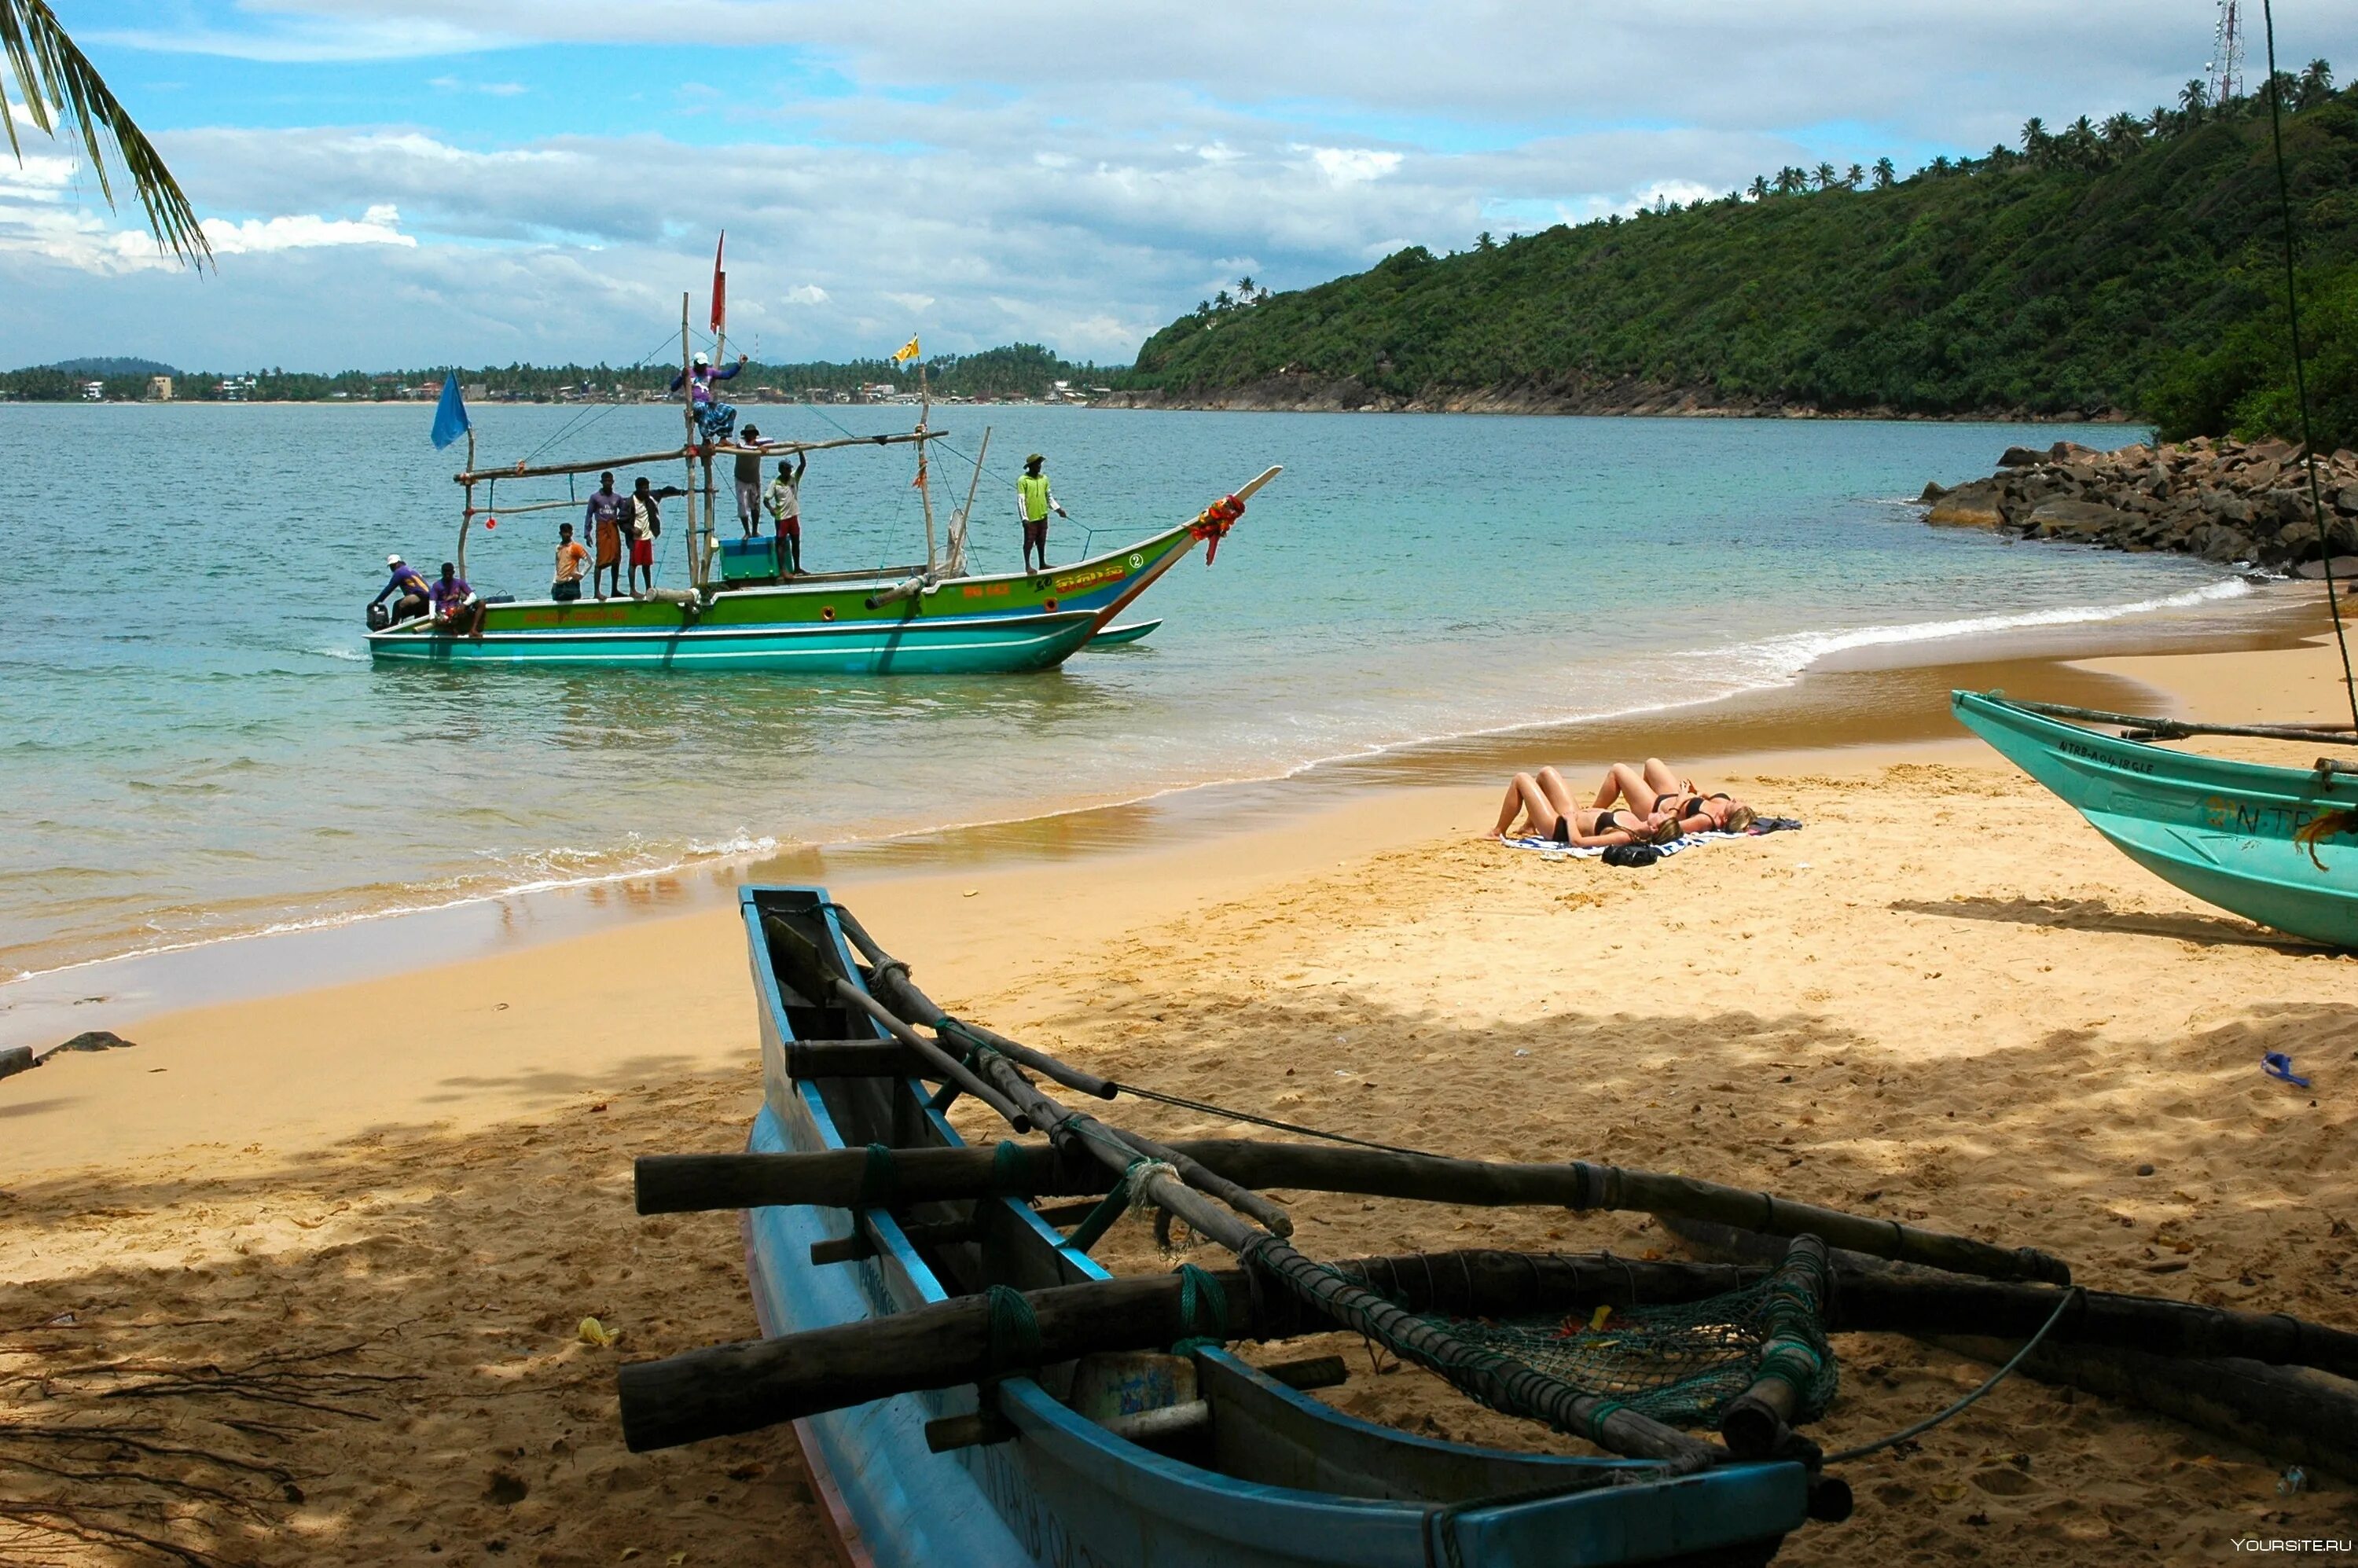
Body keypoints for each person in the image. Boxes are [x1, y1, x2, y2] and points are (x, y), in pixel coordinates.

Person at [1493, 766, 1683, 847]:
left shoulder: (1624, 835)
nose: (1661, 813)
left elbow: (1578, 843)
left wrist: (1569, 821)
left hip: (1558, 827)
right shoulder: (1639, 822)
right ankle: (1529, 826)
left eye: (1662, 817)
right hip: (1575, 814)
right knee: (1546, 773)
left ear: (1654, 828)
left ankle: (1497, 831)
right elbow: (1672, 817)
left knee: (1521, 779)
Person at [1590, 759, 1759, 835]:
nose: (1737, 800)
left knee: (1618, 770)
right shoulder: (1724, 803)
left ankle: (1595, 809)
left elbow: (1669, 826)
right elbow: (1706, 795)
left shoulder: (1705, 820)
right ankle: (1636, 795)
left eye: (1737, 805)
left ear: (1729, 817)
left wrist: (1680, 800)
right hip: (1673, 795)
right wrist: (1696, 791)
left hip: (1655, 808)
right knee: (1652, 763)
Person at [669, 351, 747, 445]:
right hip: (695, 404)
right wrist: (681, 376)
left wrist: (739, 364)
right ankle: (707, 439)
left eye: (704, 365)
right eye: (700, 365)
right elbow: (673, 388)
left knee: (730, 410)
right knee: (702, 408)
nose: (703, 367)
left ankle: (723, 438)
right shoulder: (688, 373)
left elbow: (727, 375)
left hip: (708, 404)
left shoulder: (710, 372)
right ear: (695, 363)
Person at [1017, 452, 1066, 575]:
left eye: (1040, 464)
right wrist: (1024, 518)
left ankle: (1042, 564)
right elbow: (1021, 501)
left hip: (1043, 516)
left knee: (1041, 541)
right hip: (1030, 518)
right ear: (1031, 466)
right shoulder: (1023, 480)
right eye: (1037, 464)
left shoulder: (1044, 479)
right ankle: (1028, 566)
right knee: (1029, 542)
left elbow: (1049, 498)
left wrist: (1058, 509)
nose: (1039, 466)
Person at [585, 472, 628, 601]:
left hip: (613, 528)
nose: (608, 483)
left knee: (616, 558)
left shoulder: (617, 498)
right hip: (602, 529)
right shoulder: (595, 497)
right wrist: (587, 533)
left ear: (613, 482)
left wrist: (623, 524)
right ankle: (596, 591)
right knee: (601, 559)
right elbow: (589, 515)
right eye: (605, 481)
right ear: (601, 482)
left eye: (610, 481)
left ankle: (615, 589)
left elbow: (625, 511)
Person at [765, 453, 808, 575]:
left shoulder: (794, 478)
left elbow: (803, 465)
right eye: (787, 469)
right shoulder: (775, 483)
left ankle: (797, 567)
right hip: (782, 518)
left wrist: (800, 451)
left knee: (796, 542)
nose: (789, 471)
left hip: (793, 516)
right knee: (781, 544)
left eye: (790, 469)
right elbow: (766, 500)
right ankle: (783, 569)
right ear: (781, 469)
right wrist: (771, 509)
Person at [429, 560, 487, 638]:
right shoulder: (437, 585)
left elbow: (473, 596)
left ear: (453, 572)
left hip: (456, 610)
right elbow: (432, 603)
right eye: (445, 573)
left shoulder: (459, 582)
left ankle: (473, 630)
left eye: (449, 573)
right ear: (442, 573)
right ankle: (453, 630)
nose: (447, 575)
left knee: (481, 603)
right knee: (445, 618)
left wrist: (464, 604)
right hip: (443, 613)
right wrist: (432, 618)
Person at [626, 477, 662, 597]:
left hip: (647, 537)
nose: (646, 490)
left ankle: (648, 588)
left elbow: (664, 491)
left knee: (647, 565)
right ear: (637, 489)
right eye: (644, 488)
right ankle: (632, 590)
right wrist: (632, 530)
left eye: (647, 488)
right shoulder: (631, 502)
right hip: (636, 539)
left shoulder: (649, 499)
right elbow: (621, 520)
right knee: (634, 564)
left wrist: (681, 492)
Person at [732, 426, 770, 538]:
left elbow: (771, 441)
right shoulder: (741, 443)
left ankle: (754, 531)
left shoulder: (760, 444)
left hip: (754, 479)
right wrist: (756, 447)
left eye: (753, 434)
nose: (750, 436)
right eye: (748, 434)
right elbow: (743, 447)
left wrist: (758, 445)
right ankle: (747, 532)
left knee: (756, 505)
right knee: (743, 506)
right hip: (741, 478)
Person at [372, 554, 431, 622]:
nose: (392, 568)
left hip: (420, 596)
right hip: (429, 597)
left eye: (393, 565)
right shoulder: (410, 570)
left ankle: (393, 625)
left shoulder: (399, 572)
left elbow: (389, 589)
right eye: (391, 566)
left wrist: (376, 602)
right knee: (406, 611)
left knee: (397, 605)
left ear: (398, 563)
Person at [552, 522, 590, 603]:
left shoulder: (576, 547)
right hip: (559, 584)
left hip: (571, 583)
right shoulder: (558, 548)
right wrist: (554, 582)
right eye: (565, 532)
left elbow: (590, 561)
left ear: (572, 533)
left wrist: (582, 574)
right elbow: (558, 567)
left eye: (569, 532)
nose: (567, 535)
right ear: (560, 533)